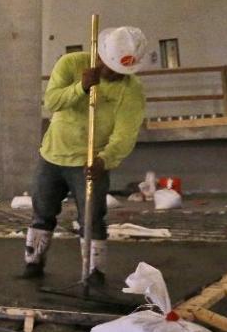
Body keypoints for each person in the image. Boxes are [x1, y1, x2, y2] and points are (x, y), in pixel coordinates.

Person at [21, 26, 148, 284]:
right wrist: (80, 87)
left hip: (91, 162)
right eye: (110, 68)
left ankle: (94, 272)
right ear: (99, 55)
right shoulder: (71, 64)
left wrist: (106, 159)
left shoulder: (131, 90)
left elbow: (125, 133)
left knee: (92, 218)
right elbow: (52, 102)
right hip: (53, 155)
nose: (114, 75)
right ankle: (33, 263)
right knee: (42, 212)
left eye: (121, 72)